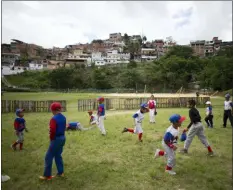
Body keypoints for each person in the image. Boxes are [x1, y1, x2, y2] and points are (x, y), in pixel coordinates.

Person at [40, 102, 66, 180]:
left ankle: (47, 176)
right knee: (58, 155)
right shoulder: (63, 117)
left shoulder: (53, 119)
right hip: (62, 138)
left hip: (56, 139)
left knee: (48, 156)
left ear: (53, 110)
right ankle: (61, 172)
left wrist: (51, 138)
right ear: (60, 109)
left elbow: (53, 131)